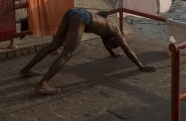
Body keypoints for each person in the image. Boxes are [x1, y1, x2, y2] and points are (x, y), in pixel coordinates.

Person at [20, 9, 156, 95]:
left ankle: (26, 69)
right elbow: (127, 49)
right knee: (67, 54)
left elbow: (107, 45)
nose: (112, 45)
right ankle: (42, 84)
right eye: (115, 45)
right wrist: (141, 65)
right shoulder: (115, 30)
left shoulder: (106, 31)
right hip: (80, 17)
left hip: (71, 12)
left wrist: (114, 54)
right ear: (115, 40)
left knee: (54, 45)